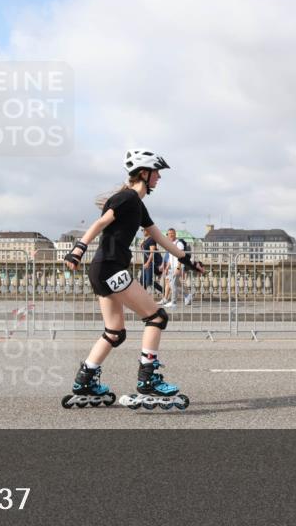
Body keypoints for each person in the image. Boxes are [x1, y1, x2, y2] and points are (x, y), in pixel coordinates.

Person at [61, 149, 205, 409]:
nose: (159, 177)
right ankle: (147, 379)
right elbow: (100, 223)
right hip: (111, 269)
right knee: (157, 317)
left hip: (102, 270)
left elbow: (161, 239)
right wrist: (77, 249)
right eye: (156, 172)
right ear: (144, 173)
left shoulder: (138, 206)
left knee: (114, 332)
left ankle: (86, 380)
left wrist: (188, 261)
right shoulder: (126, 198)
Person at [160, 228, 192, 307]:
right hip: (172, 267)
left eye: (172, 233)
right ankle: (187, 296)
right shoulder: (170, 244)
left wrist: (178, 268)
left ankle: (173, 302)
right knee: (175, 284)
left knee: (173, 284)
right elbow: (171, 258)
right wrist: (167, 267)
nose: (171, 235)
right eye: (169, 233)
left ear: (175, 234)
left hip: (177, 267)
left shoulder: (179, 244)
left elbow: (181, 256)